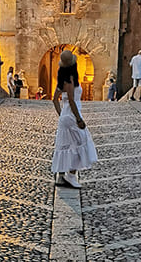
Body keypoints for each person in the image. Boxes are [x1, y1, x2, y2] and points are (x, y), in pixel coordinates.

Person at [52, 50, 97, 188]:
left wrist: (62, 116)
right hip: (72, 115)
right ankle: (71, 176)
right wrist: (78, 119)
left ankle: (64, 176)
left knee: (68, 145)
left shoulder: (62, 79)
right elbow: (71, 100)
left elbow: (54, 100)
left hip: (66, 115)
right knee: (81, 143)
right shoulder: (70, 79)